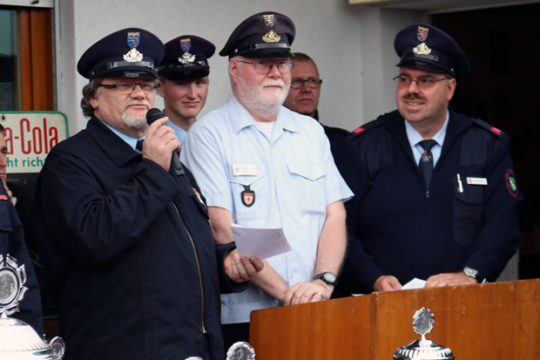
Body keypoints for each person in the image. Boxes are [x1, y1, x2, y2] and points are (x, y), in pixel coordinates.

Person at [35, 28, 263, 360]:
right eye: (124, 85)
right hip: (124, 348)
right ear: (94, 98)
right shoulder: (70, 161)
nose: (140, 94)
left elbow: (177, 242)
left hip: (193, 346)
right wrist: (154, 171)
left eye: (146, 85)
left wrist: (226, 265)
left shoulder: (163, 156)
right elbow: (94, 238)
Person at [181, 12, 353, 346]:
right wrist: (289, 294)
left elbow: (334, 213)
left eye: (282, 63)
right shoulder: (209, 134)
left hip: (315, 305)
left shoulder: (310, 131)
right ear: (234, 69)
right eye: (262, 63)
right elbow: (220, 226)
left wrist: (323, 282)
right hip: (246, 316)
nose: (276, 73)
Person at [335, 24, 522, 296]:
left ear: (450, 88)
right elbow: (339, 227)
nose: (412, 89)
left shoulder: (485, 145)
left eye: (425, 80)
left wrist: (470, 274)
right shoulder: (361, 146)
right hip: (380, 303)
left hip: (464, 302)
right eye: (404, 79)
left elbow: (502, 225)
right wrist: (372, 277)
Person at [0, 124, 43, 334]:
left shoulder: (21, 197)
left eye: (3, 151)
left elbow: (38, 259)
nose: (1, 162)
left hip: (20, 324)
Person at [283, 52, 349, 154]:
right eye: (296, 81)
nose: (307, 89)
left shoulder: (341, 142)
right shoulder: (268, 139)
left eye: (312, 81)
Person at [157, 35, 215, 143]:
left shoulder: (215, 140)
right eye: (181, 84)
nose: (192, 95)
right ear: (160, 88)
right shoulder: (148, 142)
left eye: (199, 83)